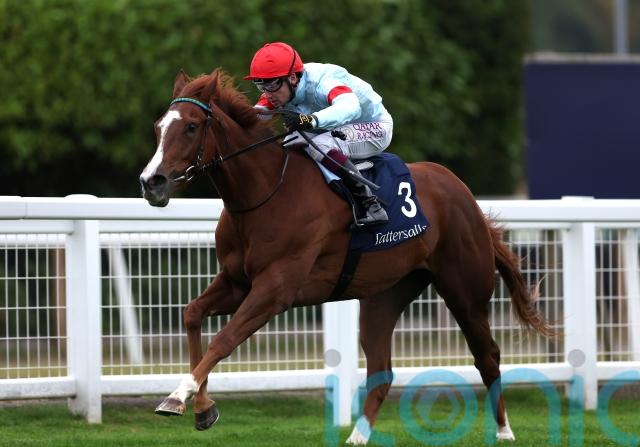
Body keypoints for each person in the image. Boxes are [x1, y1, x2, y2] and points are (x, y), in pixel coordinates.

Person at [244, 42, 392, 227]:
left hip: (374, 127)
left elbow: (351, 106)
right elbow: (256, 115)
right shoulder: (280, 89)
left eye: (272, 85)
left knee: (322, 144)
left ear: (292, 78)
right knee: (290, 143)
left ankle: (371, 206)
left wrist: (309, 120)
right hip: (335, 128)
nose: (268, 93)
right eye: (261, 86)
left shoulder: (323, 82)